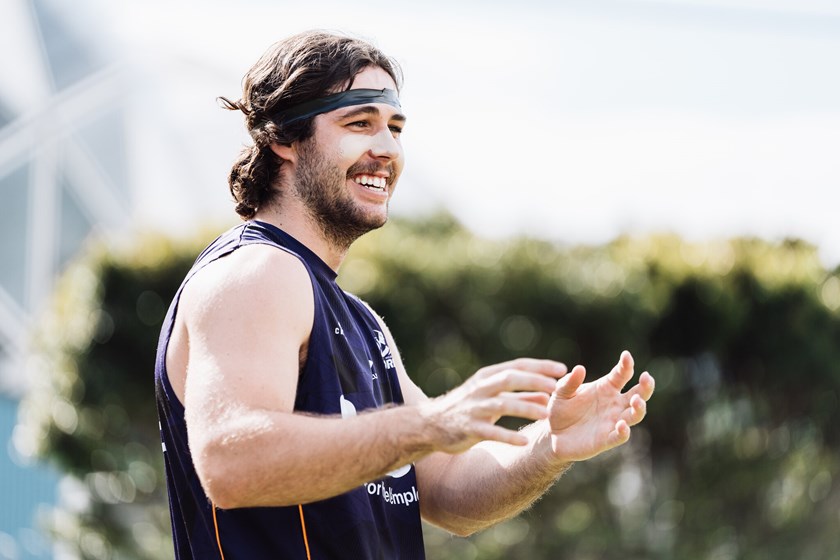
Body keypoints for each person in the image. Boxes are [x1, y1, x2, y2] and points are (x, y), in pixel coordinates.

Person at [154, 30, 655, 560]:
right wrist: (431, 423)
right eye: (359, 123)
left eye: (395, 128)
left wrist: (549, 446)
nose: (387, 148)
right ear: (284, 138)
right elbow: (232, 464)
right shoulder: (257, 273)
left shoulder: (360, 321)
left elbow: (448, 490)